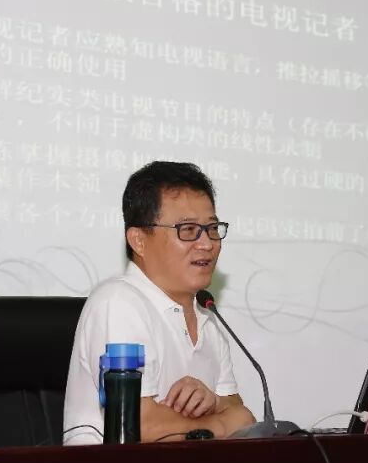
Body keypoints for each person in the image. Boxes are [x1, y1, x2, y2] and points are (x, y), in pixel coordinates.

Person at [63, 161, 256, 444]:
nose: (207, 243)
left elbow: (245, 420)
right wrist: (221, 423)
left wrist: (214, 403)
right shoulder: (119, 303)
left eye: (212, 228)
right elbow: (141, 428)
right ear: (139, 240)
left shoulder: (209, 321)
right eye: (188, 229)